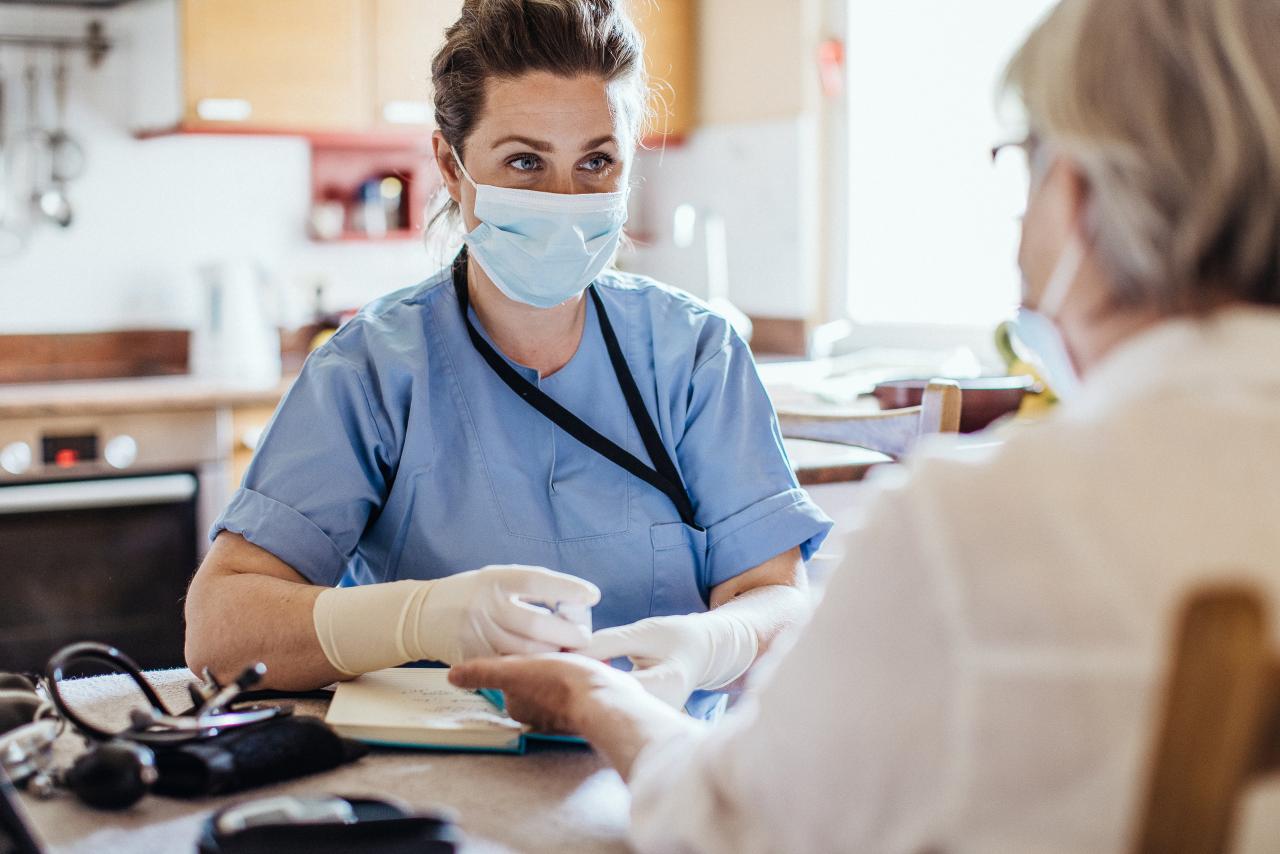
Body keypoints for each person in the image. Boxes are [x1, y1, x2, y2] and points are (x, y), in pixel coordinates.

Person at [448, 0, 1280, 849]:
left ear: (1076, 190)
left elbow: (732, 828)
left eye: (1023, 160)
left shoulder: (977, 526)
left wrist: (599, 699)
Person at [182, 0, 832, 719]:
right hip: (438, 783)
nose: (565, 199)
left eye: (596, 162)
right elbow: (220, 629)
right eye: (525, 161)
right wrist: (419, 617)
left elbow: (774, 598)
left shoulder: (695, 356)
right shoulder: (372, 370)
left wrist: (706, 646)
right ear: (450, 168)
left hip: (657, 775)